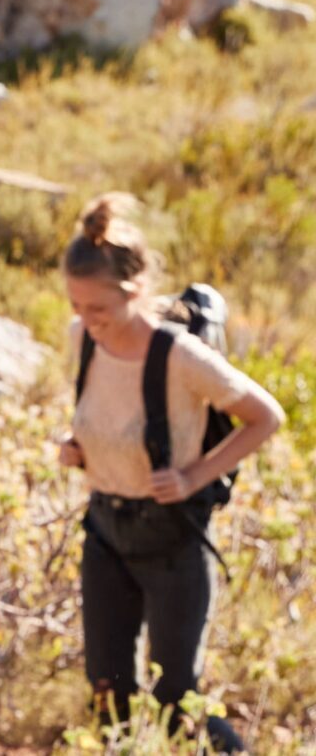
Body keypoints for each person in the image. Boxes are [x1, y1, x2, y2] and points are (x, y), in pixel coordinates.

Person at [57, 193, 282, 752]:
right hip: (105, 532)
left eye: (99, 309)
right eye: (77, 306)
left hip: (173, 541)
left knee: (178, 699)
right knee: (108, 694)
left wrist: (195, 476)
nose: (87, 321)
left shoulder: (181, 356)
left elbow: (265, 417)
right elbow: (104, 414)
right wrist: (78, 447)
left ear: (135, 292)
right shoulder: (82, 338)